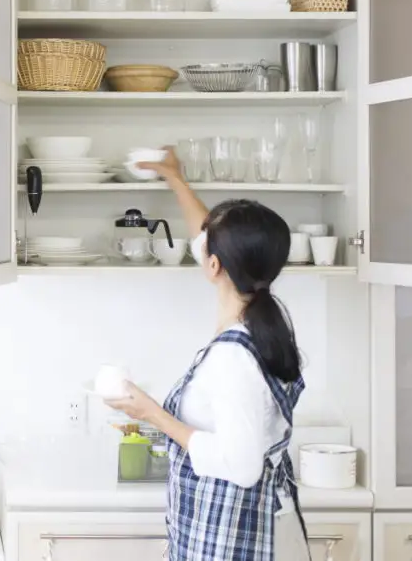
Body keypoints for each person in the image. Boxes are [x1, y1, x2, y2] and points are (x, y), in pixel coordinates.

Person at [107, 146, 310, 561]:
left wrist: (153, 415)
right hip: (265, 528)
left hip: (240, 541)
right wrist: (175, 178)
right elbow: (207, 238)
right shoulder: (266, 326)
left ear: (215, 265)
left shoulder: (232, 358)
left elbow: (242, 466)